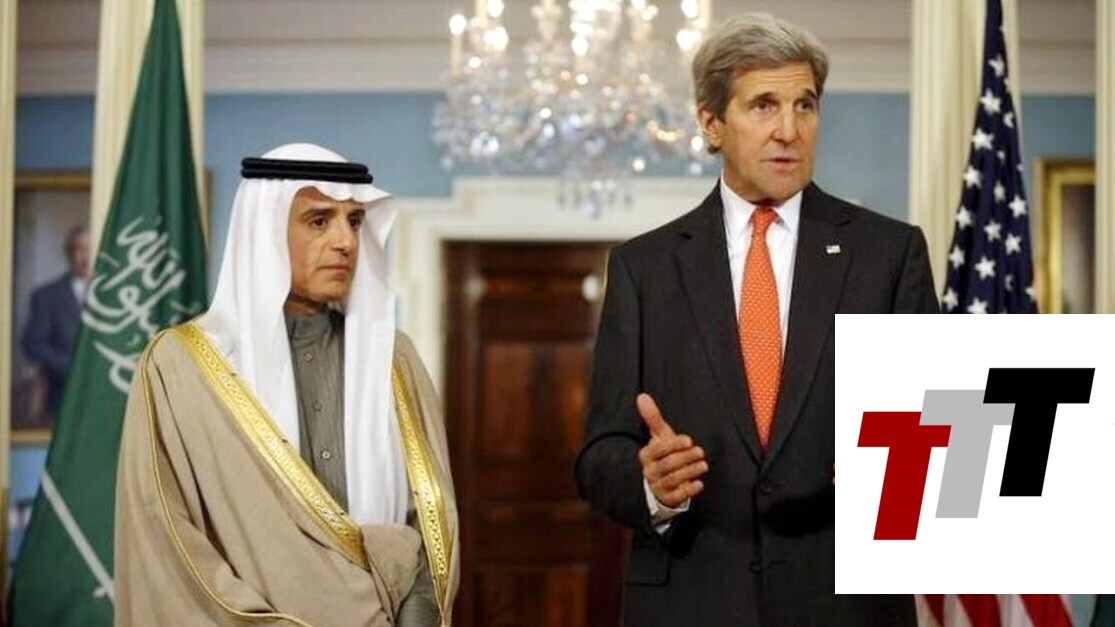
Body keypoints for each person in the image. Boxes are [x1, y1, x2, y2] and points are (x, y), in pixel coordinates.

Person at [575, 13, 937, 627]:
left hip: (846, 605)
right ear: (711, 122)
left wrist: (894, 470)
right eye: (764, 105)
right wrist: (649, 484)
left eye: (805, 105)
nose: (788, 130)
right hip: (689, 602)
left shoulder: (890, 254)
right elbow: (599, 454)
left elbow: (940, 429)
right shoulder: (643, 268)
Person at [114, 143, 458, 627]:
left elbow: (431, 519)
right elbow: (166, 538)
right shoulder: (180, 367)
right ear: (265, 232)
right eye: (319, 221)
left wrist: (418, 614)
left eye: (354, 221)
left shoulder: (394, 359)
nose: (345, 241)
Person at [21, 223, 90, 422]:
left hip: (107, 402)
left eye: (90, 250)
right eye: (80, 249)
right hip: (61, 401)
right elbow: (33, 345)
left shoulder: (115, 295)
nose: (85, 257)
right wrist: (72, 369)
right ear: (69, 254)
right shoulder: (46, 296)